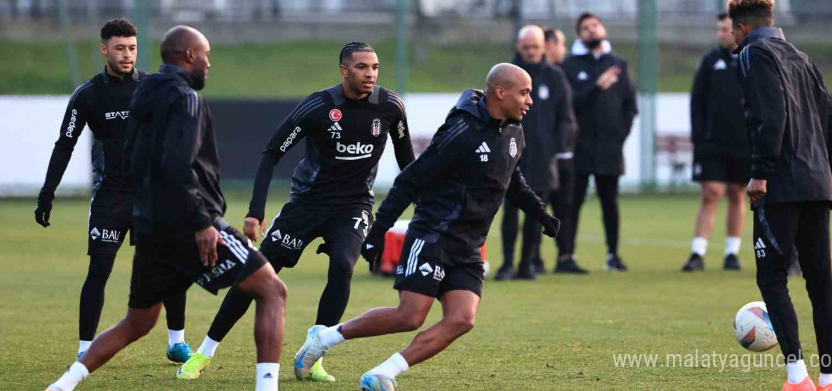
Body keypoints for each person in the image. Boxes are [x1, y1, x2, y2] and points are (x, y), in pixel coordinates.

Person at [45, 25, 288, 391]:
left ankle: (62, 385)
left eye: (132, 48)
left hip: (151, 223)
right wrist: (204, 222)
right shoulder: (186, 99)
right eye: (206, 55)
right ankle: (267, 387)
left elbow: (138, 163)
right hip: (190, 220)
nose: (209, 63)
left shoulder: (146, 94)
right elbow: (177, 167)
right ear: (190, 56)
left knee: (137, 323)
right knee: (272, 290)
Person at [291, 64, 559, 391]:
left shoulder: (515, 130)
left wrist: (541, 215)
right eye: (524, 92)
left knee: (462, 319)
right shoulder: (461, 132)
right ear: (501, 93)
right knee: (410, 316)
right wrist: (377, 233)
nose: (529, 100)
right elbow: (410, 181)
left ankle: (382, 374)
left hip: (469, 244)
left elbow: (511, 179)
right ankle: (325, 338)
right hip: (433, 235)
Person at [176, 42, 414, 382]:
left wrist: (412, 209)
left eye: (375, 67)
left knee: (344, 265)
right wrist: (255, 212)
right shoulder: (318, 106)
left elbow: (408, 164)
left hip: (354, 206)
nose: (370, 74)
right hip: (306, 205)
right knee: (255, 276)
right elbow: (271, 152)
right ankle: (204, 352)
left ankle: (314, 354)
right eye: (362, 67)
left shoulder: (390, 106)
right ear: (344, 70)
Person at [34, 18, 191, 363]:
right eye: (119, 48)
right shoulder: (89, 94)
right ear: (104, 49)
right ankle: (84, 349)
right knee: (99, 270)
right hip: (111, 196)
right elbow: (65, 144)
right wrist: (48, 192)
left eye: (132, 48)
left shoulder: (156, 87)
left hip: (151, 196)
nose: (127, 54)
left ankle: (177, 342)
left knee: (170, 266)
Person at [729, 0, 832, 391]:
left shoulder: (753, 54)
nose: (733, 40)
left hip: (779, 185)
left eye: (733, 32)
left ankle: (797, 378)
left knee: (772, 278)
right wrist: (825, 174)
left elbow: (770, 114)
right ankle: (829, 379)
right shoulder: (803, 57)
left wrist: (760, 173)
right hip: (817, 185)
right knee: (821, 284)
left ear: (742, 27)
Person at [496, 25, 575, 280]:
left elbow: (566, 116)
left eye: (535, 47)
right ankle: (507, 263)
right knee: (509, 211)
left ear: (544, 48)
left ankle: (527, 263)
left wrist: (556, 146)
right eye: (526, 47)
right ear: (518, 47)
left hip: (542, 156)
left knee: (535, 211)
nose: (531, 51)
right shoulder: (504, 76)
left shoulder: (555, 77)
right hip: (510, 154)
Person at [562, 12, 638, 272]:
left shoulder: (619, 64)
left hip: (609, 147)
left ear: (603, 29)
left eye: (595, 25)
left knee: (610, 203)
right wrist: (597, 87)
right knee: (572, 203)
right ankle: (567, 255)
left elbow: (630, 106)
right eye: (585, 28)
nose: (592, 30)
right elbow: (571, 105)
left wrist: (619, 135)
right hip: (580, 148)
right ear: (579, 35)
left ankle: (613, 256)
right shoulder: (569, 65)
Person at [681, 12, 749, 272]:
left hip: (743, 143)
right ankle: (697, 252)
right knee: (711, 193)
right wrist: (699, 138)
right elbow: (697, 102)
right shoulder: (709, 61)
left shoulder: (750, 59)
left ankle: (732, 253)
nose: (721, 34)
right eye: (719, 29)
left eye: (725, 29)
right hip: (712, 143)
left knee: (736, 194)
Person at [543, 27, 585, 273]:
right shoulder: (529, 75)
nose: (564, 50)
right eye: (561, 44)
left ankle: (565, 256)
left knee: (565, 206)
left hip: (564, 152)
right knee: (534, 206)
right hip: (539, 154)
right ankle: (531, 258)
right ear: (548, 45)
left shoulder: (561, 73)